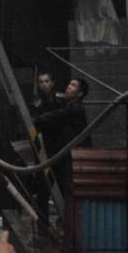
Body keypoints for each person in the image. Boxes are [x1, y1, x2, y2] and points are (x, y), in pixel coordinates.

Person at [36, 77, 91, 217]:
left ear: (80, 93)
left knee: (66, 188)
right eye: (69, 84)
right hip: (67, 155)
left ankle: (70, 219)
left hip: (75, 156)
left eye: (73, 85)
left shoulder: (75, 108)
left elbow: (57, 115)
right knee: (57, 186)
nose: (68, 87)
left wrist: (38, 120)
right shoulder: (68, 105)